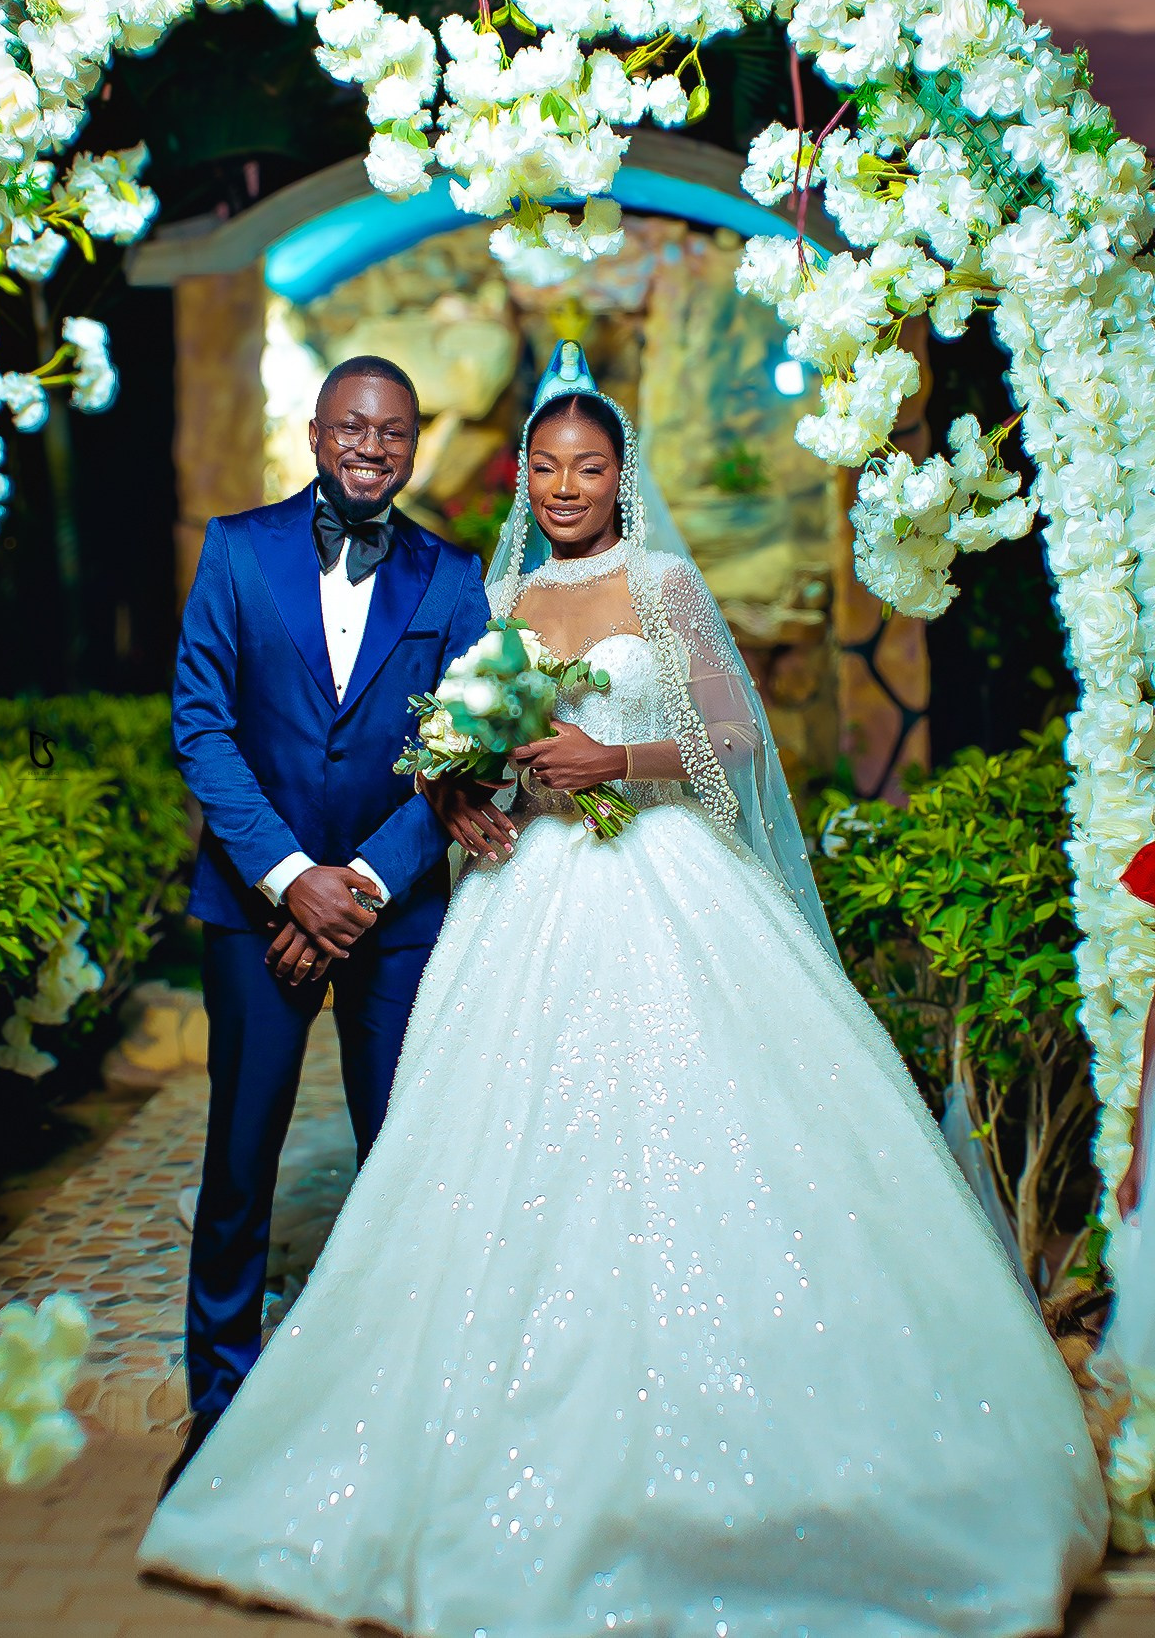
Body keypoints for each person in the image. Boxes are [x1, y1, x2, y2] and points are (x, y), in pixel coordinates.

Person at [142, 343, 1108, 1634]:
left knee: (677, 1147)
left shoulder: (647, 583)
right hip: (486, 895)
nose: (564, 486)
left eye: (587, 467)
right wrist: (454, 799)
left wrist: (612, 762)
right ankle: (265, 1422)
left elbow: (733, 737)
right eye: (545, 467)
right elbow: (435, 747)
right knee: (371, 1163)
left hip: (653, 887)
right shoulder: (493, 592)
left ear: (620, 476)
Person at [164, 354, 490, 1494]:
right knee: (239, 1161)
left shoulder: (453, 579)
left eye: (393, 432)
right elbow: (202, 727)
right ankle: (217, 1411)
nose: (371, 447)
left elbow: (469, 750)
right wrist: (290, 877)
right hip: (253, 910)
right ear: (314, 434)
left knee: (401, 1158)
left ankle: (400, 1409)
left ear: (413, 447)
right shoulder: (236, 550)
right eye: (353, 426)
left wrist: (357, 887)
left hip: (392, 918)